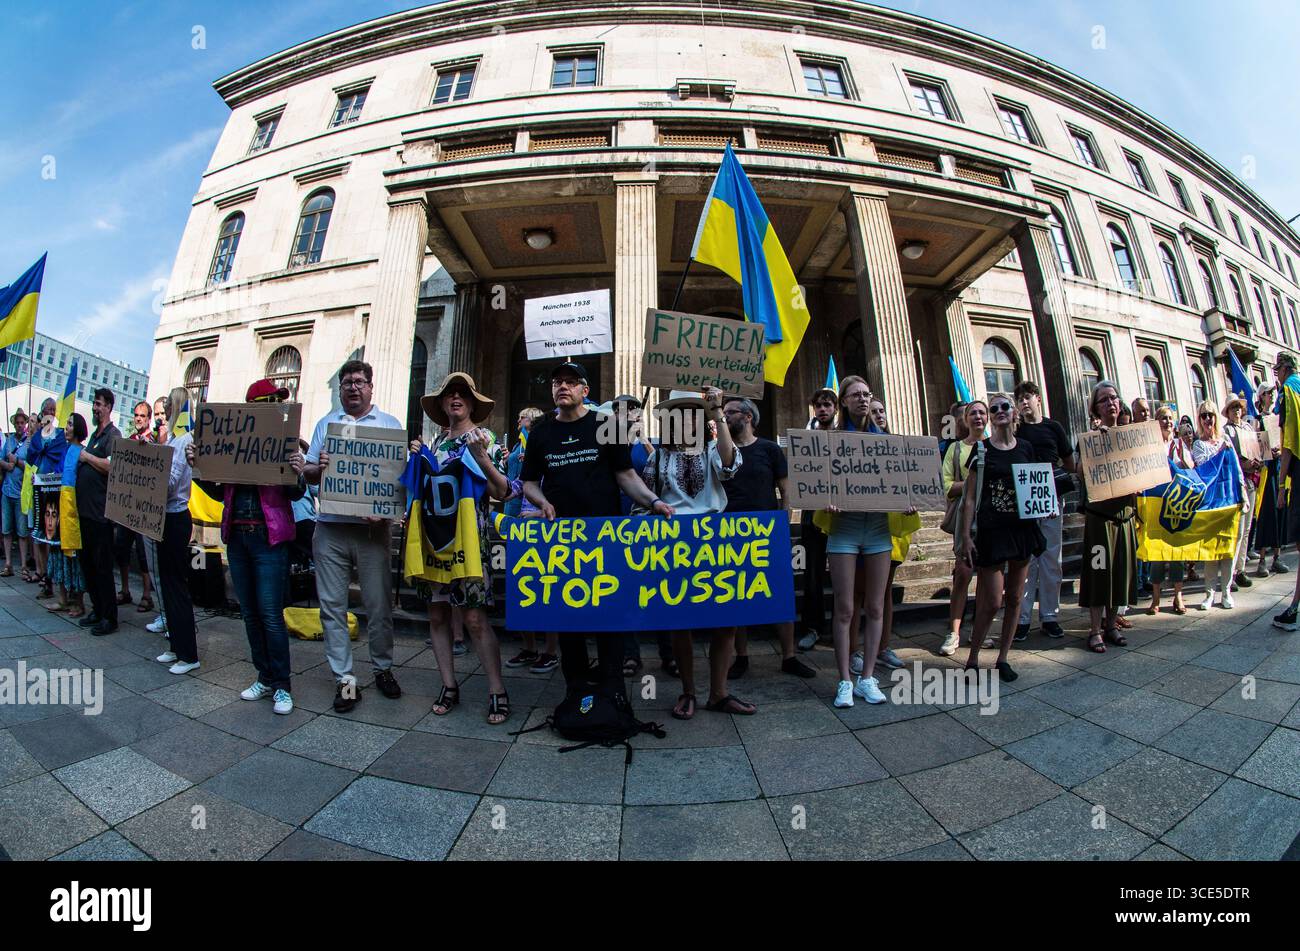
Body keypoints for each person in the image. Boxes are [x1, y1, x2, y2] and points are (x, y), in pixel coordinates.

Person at [521, 361, 672, 696]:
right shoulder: (541, 431)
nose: (562, 386)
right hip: (562, 539)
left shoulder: (607, 424)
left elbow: (625, 475)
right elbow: (529, 482)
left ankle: (612, 690)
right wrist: (542, 502)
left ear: (585, 391)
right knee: (569, 618)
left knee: (609, 616)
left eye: (571, 382)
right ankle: (577, 691)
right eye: (557, 381)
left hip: (605, 538)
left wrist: (653, 502)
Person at [293, 360, 406, 713]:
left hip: (373, 531)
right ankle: (344, 680)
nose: (353, 388)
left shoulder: (389, 425)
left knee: (378, 604)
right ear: (340, 390)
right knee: (332, 607)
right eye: (346, 383)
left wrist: (389, 510)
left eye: (359, 381)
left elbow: (398, 481)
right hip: (329, 527)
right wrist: (319, 466)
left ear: (371, 387)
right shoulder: (326, 425)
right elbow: (308, 473)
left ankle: (383, 668)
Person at [188, 379, 304, 713]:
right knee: (250, 613)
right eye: (271, 401)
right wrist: (199, 467)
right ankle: (264, 676)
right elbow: (216, 490)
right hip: (238, 538)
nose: (277, 408)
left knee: (269, 613)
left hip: (269, 540)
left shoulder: (285, 443)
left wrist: (297, 473)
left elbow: (295, 493)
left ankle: (282, 685)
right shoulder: (234, 444)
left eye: (279, 402)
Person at [635, 388, 751, 719]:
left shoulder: (713, 448)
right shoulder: (658, 457)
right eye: (679, 413)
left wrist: (717, 412)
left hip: (715, 544)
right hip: (675, 548)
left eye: (692, 412)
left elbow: (730, 466)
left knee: (725, 621)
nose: (686, 418)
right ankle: (688, 690)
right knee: (680, 622)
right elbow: (644, 500)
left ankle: (719, 692)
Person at [410, 372, 513, 725]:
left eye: (463, 393)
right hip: (434, 543)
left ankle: (497, 690)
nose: (456, 398)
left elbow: (503, 491)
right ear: (441, 404)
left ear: (472, 403)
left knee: (473, 617)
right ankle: (449, 685)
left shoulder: (486, 439)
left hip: (469, 543)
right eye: (449, 393)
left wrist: (482, 458)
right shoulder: (434, 444)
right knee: (437, 615)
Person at [722, 396, 816, 680]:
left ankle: (789, 656)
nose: (724, 417)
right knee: (736, 596)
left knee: (780, 594)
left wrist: (783, 524)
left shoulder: (770, 450)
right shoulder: (721, 451)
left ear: (748, 417)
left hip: (767, 532)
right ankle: (742, 657)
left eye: (730, 412)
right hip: (731, 532)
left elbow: (786, 491)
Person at [957, 393, 1044, 681]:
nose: (999, 411)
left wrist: (1047, 507)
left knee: (1016, 597)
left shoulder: (1027, 448)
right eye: (993, 409)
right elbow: (969, 499)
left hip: (1022, 529)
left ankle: (1003, 658)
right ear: (991, 418)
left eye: (1004, 406)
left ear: (1014, 412)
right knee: (992, 600)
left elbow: (1034, 487)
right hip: (992, 532)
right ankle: (973, 658)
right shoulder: (981, 451)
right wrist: (967, 536)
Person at [827, 376, 893, 708]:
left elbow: (904, 480)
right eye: (855, 395)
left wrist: (906, 499)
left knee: (876, 606)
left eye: (867, 394)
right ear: (844, 402)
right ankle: (844, 680)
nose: (863, 399)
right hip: (844, 529)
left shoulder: (888, 440)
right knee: (845, 608)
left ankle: (867, 677)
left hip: (879, 529)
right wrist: (827, 498)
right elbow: (818, 485)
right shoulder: (831, 440)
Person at [604, 394, 674, 677]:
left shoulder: (653, 445)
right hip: (617, 523)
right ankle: (630, 655)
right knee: (624, 591)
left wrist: (642, 438)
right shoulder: (607, 444)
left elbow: (660, 474)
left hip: (649, 525)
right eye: (620, 411)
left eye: (632, 410)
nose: (627, 415)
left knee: (660, 591)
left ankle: (669, 654)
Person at [1012, 381, 1076, 641]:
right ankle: (1023, 618)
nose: (1024, 403)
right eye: (1020, 399)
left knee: (1051, 559)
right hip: (1025, 501)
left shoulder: (1054, 427)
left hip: (1051, 499)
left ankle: (1050, 616)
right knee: (1027, 561)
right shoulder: (1016, 430)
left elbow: (1070, 462)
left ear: (1038, 398)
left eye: (1027, 397)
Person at [1079, 382, 1138, 652]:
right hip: (1100, 521)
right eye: (1104, 400)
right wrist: (1095, 441)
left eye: (1114, 397)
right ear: (1095, 408)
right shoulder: (1090, 438)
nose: (1110, 403)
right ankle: (1094, 630)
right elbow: (1080, 471)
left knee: (1119, 573)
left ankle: (1111, 625)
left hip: (1124, 518)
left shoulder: (1131, 437)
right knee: (1099, 571)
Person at [152, 387, 200, 672]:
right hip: (165, 517)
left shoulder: (183, 440)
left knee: (176, 586)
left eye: (169, 404)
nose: (165, 409)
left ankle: (189, 655)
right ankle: (175, 646)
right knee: (168, 585)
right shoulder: (172, 438)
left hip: (176, 517)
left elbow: (170, 483)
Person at [939, 400, 987, 655]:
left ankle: (980, 630)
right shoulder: (956, 449)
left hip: (992, 519)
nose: (978, 417)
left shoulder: (994, 447)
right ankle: (954, 632)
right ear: (965, 420)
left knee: (988, 579)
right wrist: (972, 481)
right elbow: (946, 485)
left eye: (982, 412)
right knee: (963, 573)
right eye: (973, 413)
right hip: (964, 520)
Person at [73, 388, 122, 637]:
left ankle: (109, 617)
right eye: (94, 403)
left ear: (109, 407)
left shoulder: (113, 436)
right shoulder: (95, 436)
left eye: (99, 404)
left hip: (100, 515)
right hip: (85, 513)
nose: (95, 408)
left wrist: (86, 457)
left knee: (102, 568)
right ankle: (97, 608)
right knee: (88, 566)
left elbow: (112, 465)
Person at [1191, 400, 1247, 611]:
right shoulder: (1199, 444)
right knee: (1211, 551)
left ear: (1216, 418)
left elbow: (1237, 469)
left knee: (1228, 549)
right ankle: (1209, 594)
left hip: (1230, 500)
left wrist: (1243, 494)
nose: (1207, 419)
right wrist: (1220, 450)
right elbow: (1204, 468)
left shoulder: (1226, 440)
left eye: (1211, 415)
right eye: (1204, 415)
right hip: (1211, 503)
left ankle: (1226, 592)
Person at [797, 387, 838, 651]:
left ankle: (840, 628)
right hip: (812, 514)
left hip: (841, 517)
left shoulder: (846, 435)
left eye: (827, 405)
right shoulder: (805, 438)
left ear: (835, 408)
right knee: (812, 575)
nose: (822, 409)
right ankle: (813, 627)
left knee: (841, 575)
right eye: (819, 405)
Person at [1146, 405, 1191, 615]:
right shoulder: (1151, 447)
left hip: (1176, 504)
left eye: (1170, 418)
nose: (1167, 422)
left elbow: (1191, 470)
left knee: (1176, 552)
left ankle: (1177, 597)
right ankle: (1155, 598)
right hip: (1156, 503)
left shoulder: (1179, 445)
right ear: (1156, 422)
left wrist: (1180, 462)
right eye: (1163, 418)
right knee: (1157, 552)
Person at [113, 400, 156, 613]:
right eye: (136, 415)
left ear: (149, 419)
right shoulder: (129, 440)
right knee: (122, 547)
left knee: (142, 551)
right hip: (127, 505)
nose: (139, 418)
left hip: (145, 507)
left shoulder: (155, 440)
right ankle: (126, 590)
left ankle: (147, 595)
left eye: (143, 415)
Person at [45, 413, 88, 619]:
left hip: (74, 512)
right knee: (58, 554)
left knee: (74, 559)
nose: (66, 428)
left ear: (77, 428)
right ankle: (62, 598)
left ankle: (79, 603)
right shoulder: (66, 450)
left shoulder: (82, 452)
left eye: (70, 424)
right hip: (60, 508)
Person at [27, 398, 66, 598]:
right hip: (37, 489)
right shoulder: (37, 437)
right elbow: (31, 456)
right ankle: (41, 572)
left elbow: (61, 457)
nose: (50, 412)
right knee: (38, 533)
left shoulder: (59, 436)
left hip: (53, 491)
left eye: (53, 409)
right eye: (47, 409)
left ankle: (50, 577)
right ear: (42, 413)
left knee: (50, 536)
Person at [1222, 395, 1259, 592]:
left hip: (1251, 479)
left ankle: (1241, 569)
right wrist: (1243, 464)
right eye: (1233, 407)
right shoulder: (1226, 431)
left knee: (1247, 529)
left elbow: (1257, 448)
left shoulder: (1247, 428)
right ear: (1227, 411)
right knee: (1238, 528)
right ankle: (1230, 573)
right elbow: (1229, 456)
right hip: (1238, 481)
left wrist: (1259, 459)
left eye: (1238, 407)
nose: (1237, 410)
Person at [1274, 352, 1300, 630]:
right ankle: (1294, 606)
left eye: (1276, 371)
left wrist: (1282, 484)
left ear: (1284, 369)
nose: (1276, 377)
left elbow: (1289, 441)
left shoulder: (1288, 392)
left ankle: (1294, 608)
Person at [142, 396, 171, 638]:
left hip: (169, 514)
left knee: (168, 571)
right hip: (149, 510)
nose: (160, 417)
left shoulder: (177, 440)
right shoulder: (148, 440)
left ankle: (173, 618)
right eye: (158, 413)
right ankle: (164, 613)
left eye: (164, 412)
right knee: (154, 568)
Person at [1252, 385, 1286, 579]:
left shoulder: (1278, 418)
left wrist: (1281, 450)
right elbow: (1256, 446)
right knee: (1266, 514)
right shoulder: (1258, 421)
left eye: (1272, 392)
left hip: (1279, 469)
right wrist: (1267, 451)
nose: (1271, 395)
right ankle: (1263, 560)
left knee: (1279, 512)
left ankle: (1277, 557)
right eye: (1268, 393)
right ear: (1261, 397)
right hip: (1266, 472)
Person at [1, 410, 30, 580]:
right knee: (6, 530)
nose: (19, 425)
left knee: (22, 532)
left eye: (22, 423)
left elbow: (32, 466)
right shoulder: (9, 441)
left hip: (21, 492)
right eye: (17, 423)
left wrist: (17, 462)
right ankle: (8, 564)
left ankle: (24, 566)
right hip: (7, 490)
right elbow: (0, 459)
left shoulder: (28, 443)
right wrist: (7, 465)